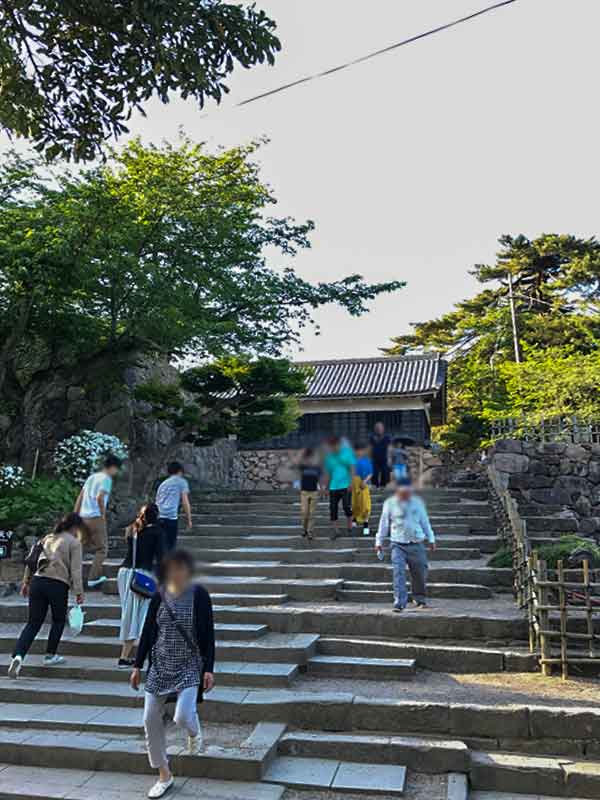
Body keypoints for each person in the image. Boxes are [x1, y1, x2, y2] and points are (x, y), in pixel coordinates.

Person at [131, 550, 215, 799]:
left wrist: (209, 668)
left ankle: (193, 729)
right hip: (160, 663)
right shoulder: (159, 595)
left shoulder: (199, 595)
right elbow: (148, 631)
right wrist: (137, 665)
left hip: (189, 664)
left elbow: (208, 634)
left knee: (181, 717)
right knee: (149, 719)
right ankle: (164, 775)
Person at [8, 513, 85, 678]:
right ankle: (50, 655)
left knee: (33, 623)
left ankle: (18, 656)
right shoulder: (74, 543)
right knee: (58, 620)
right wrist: (79, 592)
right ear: (75, 527)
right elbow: (76, 570)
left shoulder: (47, 538)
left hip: (37, 581)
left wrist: (25, 583)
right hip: (57, 584)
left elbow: (31, 560)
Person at [375, 479, 436, 612]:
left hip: (416, 543)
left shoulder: (418, 503)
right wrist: (378, 541)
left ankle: (419, 599)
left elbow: (425, 522)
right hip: (397, 543)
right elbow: (384, 523)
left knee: (420, 572)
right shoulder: (390, 503)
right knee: (398, 573)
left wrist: (431, 538)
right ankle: (399, 603)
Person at [117, 503, 164, 668]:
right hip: (141, 576)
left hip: (125, 574)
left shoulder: (133, 529)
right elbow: (161, 557)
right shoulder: (156, 532)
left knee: (129, 614)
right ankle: (127, 657)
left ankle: (127, 656)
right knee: (142, 616)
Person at [74, 454, 122, 588]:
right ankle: (92, 578)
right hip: (95, 517)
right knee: (102, 549)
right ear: (112, 467)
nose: (116, 472)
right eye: (117, 469)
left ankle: (73, 578)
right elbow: (100, 497)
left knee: (80, 548)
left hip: (83, 517)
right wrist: (103, 516)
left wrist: (75, 515)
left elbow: (80, 496)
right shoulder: (106, 479)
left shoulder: (91, 477)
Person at [323, 437, 355, 540]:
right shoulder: (329, 458)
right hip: (333, 487)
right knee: (333, 509)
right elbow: (328, 473)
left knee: (346, 506)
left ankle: (350, 527)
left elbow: (352, 469)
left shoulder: (347, 453)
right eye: (331, 446)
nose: (334, 447)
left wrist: (351, 483)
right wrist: (326, 488)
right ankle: (336, 531)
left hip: (345, 486)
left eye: (335, 445)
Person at [156, 462, 192, 552]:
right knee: (170, 546)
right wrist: (189, 520)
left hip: (159, 516)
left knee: (160, 545)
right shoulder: (182, 482)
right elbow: (185, 502)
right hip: (170, 517)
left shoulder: (163, 484)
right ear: (180, 471)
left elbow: (157, 500)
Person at [297, 448, 322, 540]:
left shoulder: (317, 467)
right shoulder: (302, 466)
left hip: (314, 491)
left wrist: (322, 488)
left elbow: (320, 479)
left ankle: (310, 532)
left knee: (312, 513)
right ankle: (304, 530)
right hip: (304, 492)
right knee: (304, 513)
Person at [352, 443, 373, 535]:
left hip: (363, 483)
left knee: (366, 505)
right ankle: (354, 519)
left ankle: (366, 524)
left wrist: (365, 481)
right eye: (357, 451)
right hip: (354, 483)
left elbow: (371, 473)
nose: (359, 452)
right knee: (355, 503)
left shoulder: (367, 461)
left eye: (360, 451)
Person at [369, 422, 391, 488]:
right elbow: (370, 448)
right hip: (374, 458)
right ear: (374, 429)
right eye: (377, 428)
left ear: (383, 429)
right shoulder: (372, 437)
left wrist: (389, 458)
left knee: (385, 471)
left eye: (380, 428)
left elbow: (389, 448)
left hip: (384, 458)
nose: (379, 429)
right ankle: (375, 485)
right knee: (374, 472)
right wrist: (369, 458)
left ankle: (383, 485)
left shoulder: (387, 437)